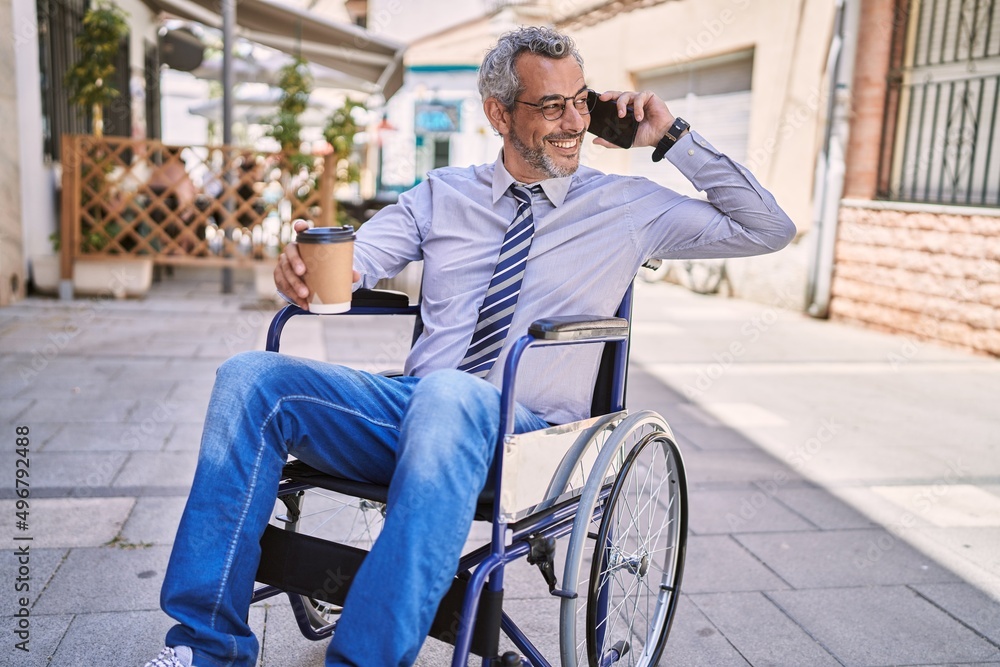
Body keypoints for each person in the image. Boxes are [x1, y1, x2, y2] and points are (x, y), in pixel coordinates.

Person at [145, 26, 795, 667]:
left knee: (451, 396)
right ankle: (207, 649)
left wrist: (673, 139)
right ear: (497, 113)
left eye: (581, 100)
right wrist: (303, 269)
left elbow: (768, 227)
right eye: (551, 105)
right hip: (413, 410)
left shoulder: (627, 205)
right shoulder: (442, 195)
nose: (573, 122)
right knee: (250, 378)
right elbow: (359, 258)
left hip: (529, 437)